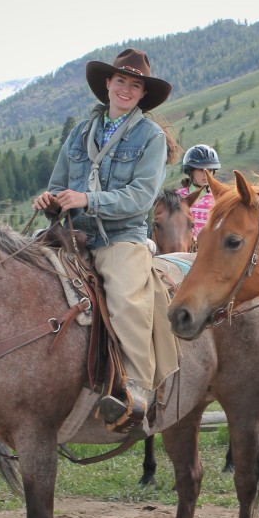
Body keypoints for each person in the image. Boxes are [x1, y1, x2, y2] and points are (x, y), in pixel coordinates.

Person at [32, 48, 179, 433]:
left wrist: (88, 199)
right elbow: (58, 183)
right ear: (107, 85)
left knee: (127, 297)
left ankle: (135, 390)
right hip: (72, 233)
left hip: (120, 237)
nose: (126, 89)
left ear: (143, 93)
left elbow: (141, 197)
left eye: (135, 84)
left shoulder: (151, 137)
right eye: (120, 81)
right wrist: (51, 200)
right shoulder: (81, 133)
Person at [178, 144, 220, 242]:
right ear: (190, 171)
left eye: (210, 170)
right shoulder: (178, 197)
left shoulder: (219, 198)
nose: (206, 174)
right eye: (201, 170)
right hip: (182, 251)